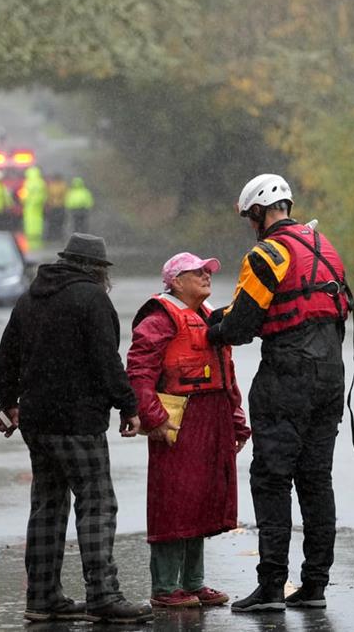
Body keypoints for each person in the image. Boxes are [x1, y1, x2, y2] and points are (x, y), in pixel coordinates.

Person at [0, 232, 153, 625]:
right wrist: (128, 405)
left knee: (48, 507)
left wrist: (8, 400)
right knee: (96, 504)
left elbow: (4, 361)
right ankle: (104, 597)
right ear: (97, 270)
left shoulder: (30, 299)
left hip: (37, 422)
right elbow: (106, 361)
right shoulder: (92, 299)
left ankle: (42, 597)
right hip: (78, 423)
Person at [206, 173, 351, 612]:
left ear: (257, 213)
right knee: (315, 481)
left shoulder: (267, 253)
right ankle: (315, 586)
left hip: (287, 378)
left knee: (271, 480)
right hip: (331, 377)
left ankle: (271, 586)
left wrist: (209, 327)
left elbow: (242, 326)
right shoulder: (324, 249)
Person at [126, 252, 252, 609]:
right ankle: (166, 588)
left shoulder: (209, 316)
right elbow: (140, 369)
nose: (206, 276)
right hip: (178, 416)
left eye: (207, 271)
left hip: (211, 414)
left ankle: (193, 583)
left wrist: (236, 420)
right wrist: (153, 416)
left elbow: (227, 372)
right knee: (173, 502)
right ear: (175, 282)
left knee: (200, 500)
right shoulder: (159, 316)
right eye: (197, 272)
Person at [21, 165, 47, 250]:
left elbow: (25, 193)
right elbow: (44, 193)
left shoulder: (28, 182)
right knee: (38, 219)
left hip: (30, 203)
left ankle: (31, 234)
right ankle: (37, 234)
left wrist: (22, 199)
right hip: (38, 204)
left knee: (30, 219)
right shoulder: (41, 182)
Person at [45, 172, 68, 241]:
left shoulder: (53, 185)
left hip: (58, 206)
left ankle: (56, 235)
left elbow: (49, 195)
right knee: (55, 222)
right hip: (56, 206)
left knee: (58, 222)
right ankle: (55, 236)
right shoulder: (61, 185)